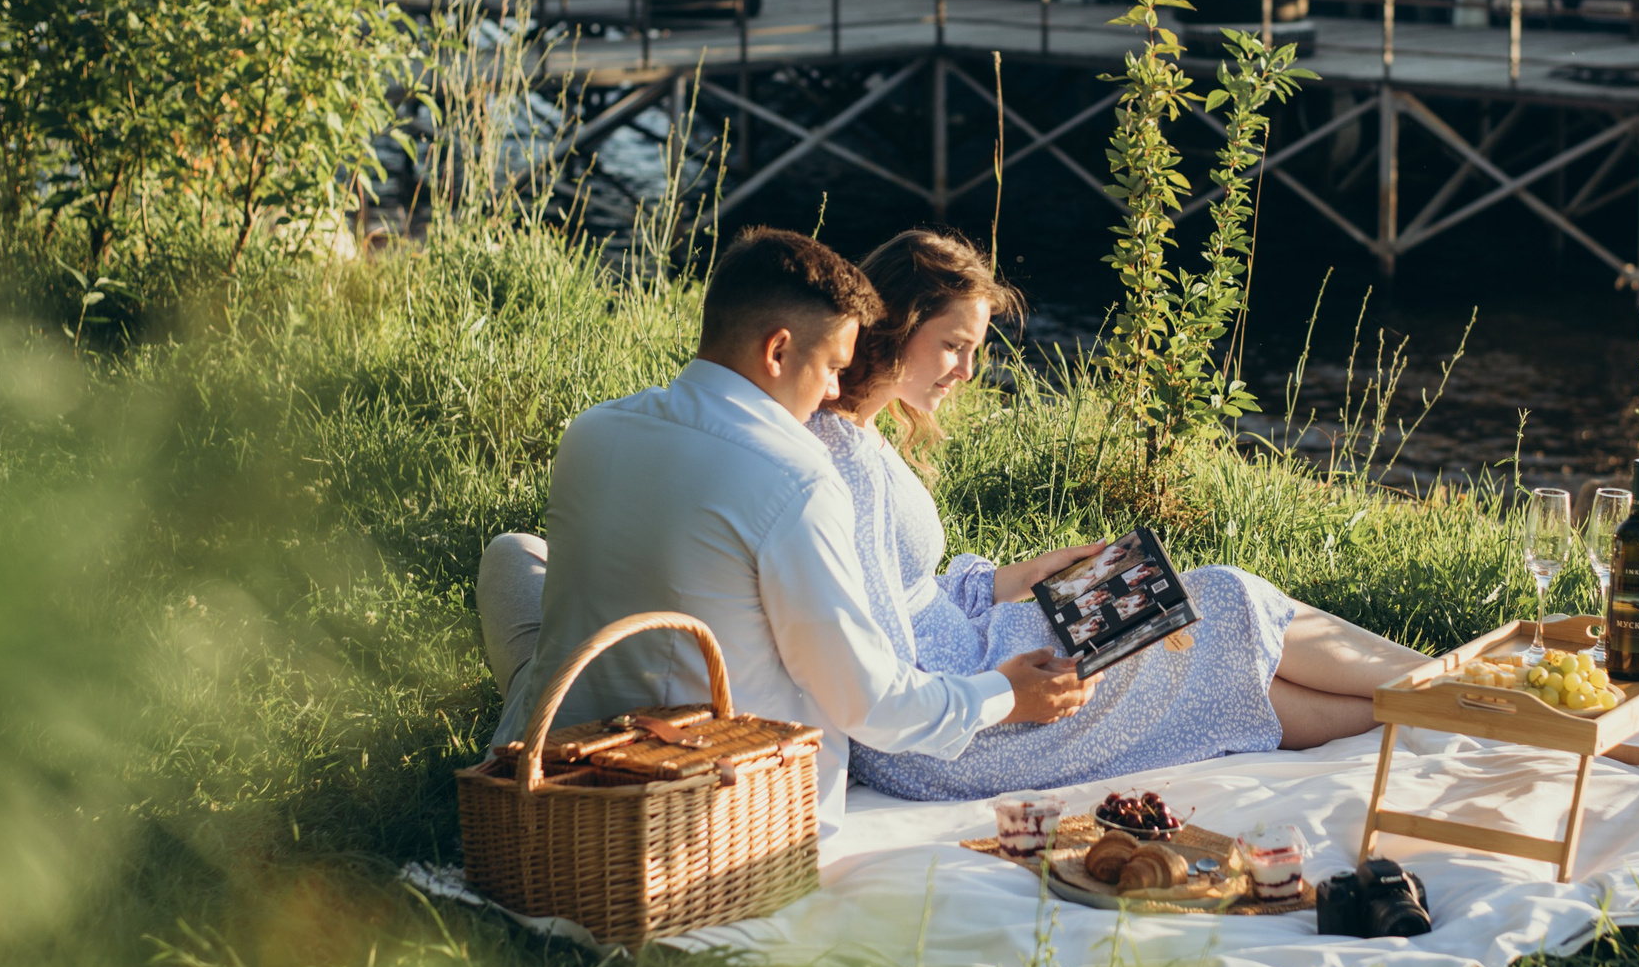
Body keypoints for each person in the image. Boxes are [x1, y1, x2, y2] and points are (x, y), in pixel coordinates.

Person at [480, 227, 1090, 831]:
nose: (835, 389)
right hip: (701, 791)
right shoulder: (798, 478)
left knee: (514, 553)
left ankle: (534, 700)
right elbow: (873, 703)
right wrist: (1003, 694)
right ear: (777, 351)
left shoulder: (593, 429)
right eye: (832, 366)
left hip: (557, 750)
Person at [812, 228, 1431, 803]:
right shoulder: (841, 463)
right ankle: (1453, 691)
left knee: (1203, 629)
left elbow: (904, 591)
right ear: (896, 323)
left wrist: (1023, 576)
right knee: (1223, 600)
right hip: (955, 724)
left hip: (965, 672)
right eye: (953, 346)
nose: (967, 372)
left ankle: (1447, 698)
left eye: (974, 351)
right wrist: (1004, 694)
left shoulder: (860, 437)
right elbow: (877, 665)